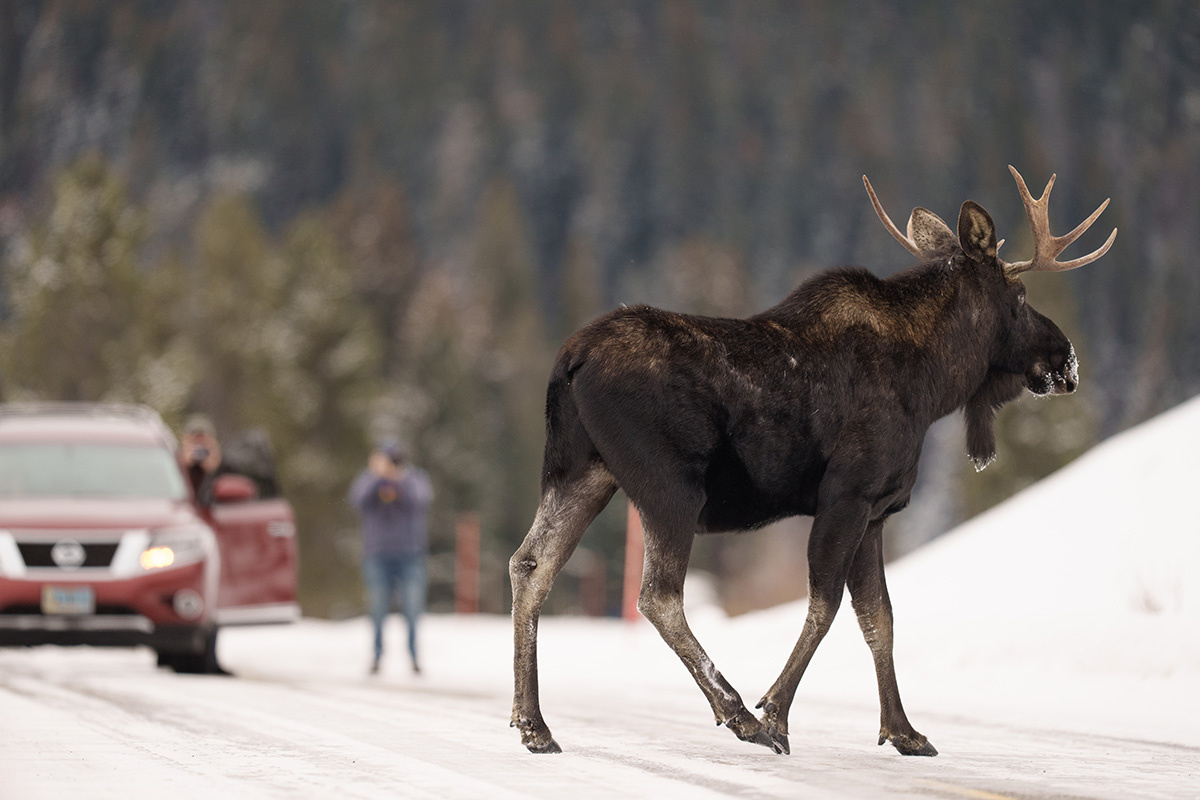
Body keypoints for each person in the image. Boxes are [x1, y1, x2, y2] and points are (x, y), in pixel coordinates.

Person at [348, 440, 433, 675]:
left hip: (410, 554)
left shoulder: (414, 478)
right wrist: (376, 477)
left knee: (413, 609)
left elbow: (420, 499)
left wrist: (399, 479)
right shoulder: (369, 480)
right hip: (377, 554)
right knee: (377, 609)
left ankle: (414, 657)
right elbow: (357, 499)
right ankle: (376, 657)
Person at [180, 413, 223, 506]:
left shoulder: (226, 464)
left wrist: (211, 457)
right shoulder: (172, 464)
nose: (199, 446)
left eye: (202, 440)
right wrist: (185, 461)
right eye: (194, 440)